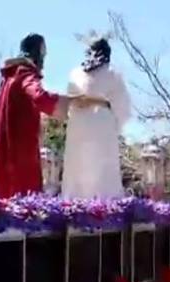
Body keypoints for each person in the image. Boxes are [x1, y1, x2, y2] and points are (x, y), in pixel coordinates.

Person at [0, 33, 104, 198]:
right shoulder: (25, 73)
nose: (44, 61)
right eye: (43, 54)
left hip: (7, 151)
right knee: (24, 200)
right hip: (20, 152)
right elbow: (40, 97)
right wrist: (73, 102)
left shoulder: (9, 78)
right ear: (37, 53)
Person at [62, 33, 131, 199]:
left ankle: (74, 204)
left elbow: (69, 101)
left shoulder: (75, 74)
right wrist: (116, 123)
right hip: (102, 120)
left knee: (78, 165)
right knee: (102, 167)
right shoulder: (113, 74)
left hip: (78, 121)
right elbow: (123, 106)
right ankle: (105, 208)